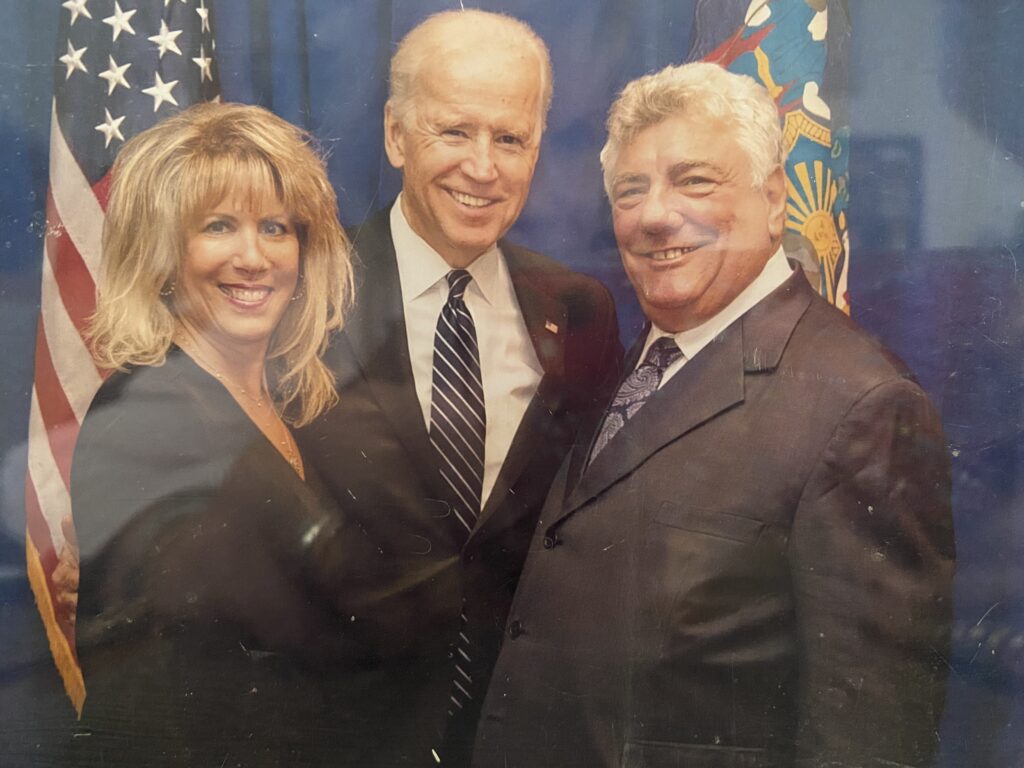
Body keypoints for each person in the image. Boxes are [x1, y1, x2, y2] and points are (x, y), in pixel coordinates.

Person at [473, 62, 955, 767]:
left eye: (695, 180)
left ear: (774, 200)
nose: (656, 214)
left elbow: (868, 742)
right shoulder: (623, 357)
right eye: (631, 189)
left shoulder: (863, 407)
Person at [297, 9, 623, 766]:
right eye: (454, 131)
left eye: (510, 139)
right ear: (394, 134)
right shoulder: (300, 297)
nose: (484, 167)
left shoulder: (579, 310)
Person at [68, 102, 358, 765]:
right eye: (218, 226)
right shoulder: (142, 416)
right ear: (165, 253)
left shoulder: (294, 403)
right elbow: (152, 690)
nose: (253, 258)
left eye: (276, 228)